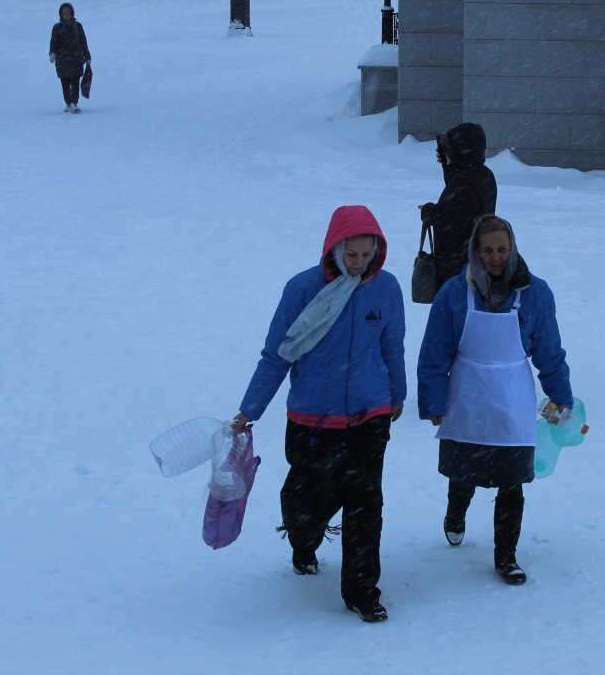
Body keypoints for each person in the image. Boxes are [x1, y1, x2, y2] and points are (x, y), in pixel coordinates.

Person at [232, 205, 406, 623]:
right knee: (308, 499)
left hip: (370, 416)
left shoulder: (386, 289)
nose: (359, 264)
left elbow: (392, 346)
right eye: (352, 255)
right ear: (334, 248)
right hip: (313, 419)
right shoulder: (302, 289)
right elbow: (276, 356)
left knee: (366, 505)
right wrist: (249, 410)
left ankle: (362, 590)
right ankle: (303, 539)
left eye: (367, 255)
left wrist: (396, 395)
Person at [416, 215, 573, 585]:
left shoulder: (536, 293)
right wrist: (432, 400)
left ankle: (506, 556)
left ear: (513, 248)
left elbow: (549, 350)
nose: (496, 257)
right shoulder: (454, 293)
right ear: (475, 251)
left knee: (512, 478)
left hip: (512, 396)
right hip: (466, 393)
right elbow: (435, 351)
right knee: (464, 469)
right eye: (487, 250)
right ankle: (456, 512)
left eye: (502, 249)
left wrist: (560, 395)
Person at [419, 122, 497, 289]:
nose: (446, 153)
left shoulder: (464, 182)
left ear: (460, 151)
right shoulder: (484, 174)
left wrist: (428, 211)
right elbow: (458, 195)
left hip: (457, 265)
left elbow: (448, 219)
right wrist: (448, 165)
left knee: (455, 307)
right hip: (476, 258)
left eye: (450, 149)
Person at [48, 2, 91, 114]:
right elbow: (53, 42)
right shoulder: (57, 28)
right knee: (65, 83)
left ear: (72, 13)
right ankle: (68, 103)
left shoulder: (78, 26)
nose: (66, 15)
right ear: (61, 14)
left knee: (75, 81)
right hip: (62, 61)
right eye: (64, 13)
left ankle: (74, 103)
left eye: (68, 13)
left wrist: (87, 57)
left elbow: (83, 43)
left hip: (76, 59)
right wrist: (52, 53)